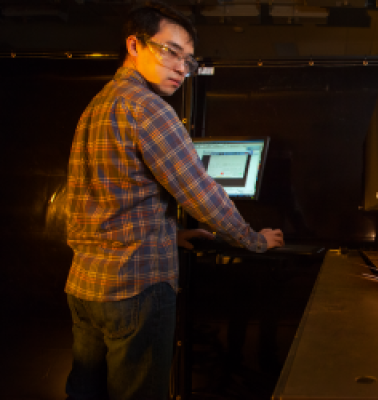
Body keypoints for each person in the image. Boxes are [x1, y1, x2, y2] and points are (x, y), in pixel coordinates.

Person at [64, 2, 284, 399]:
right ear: (134, 44)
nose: (182, 67)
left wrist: (171, 235)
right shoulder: (149, 110)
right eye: (171, 51)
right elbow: (202, 194)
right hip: (136, 288)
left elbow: (101, 199)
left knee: (86, 393)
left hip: (85, 286)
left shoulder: (96, 106)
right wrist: (254, 240)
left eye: (189, 59)